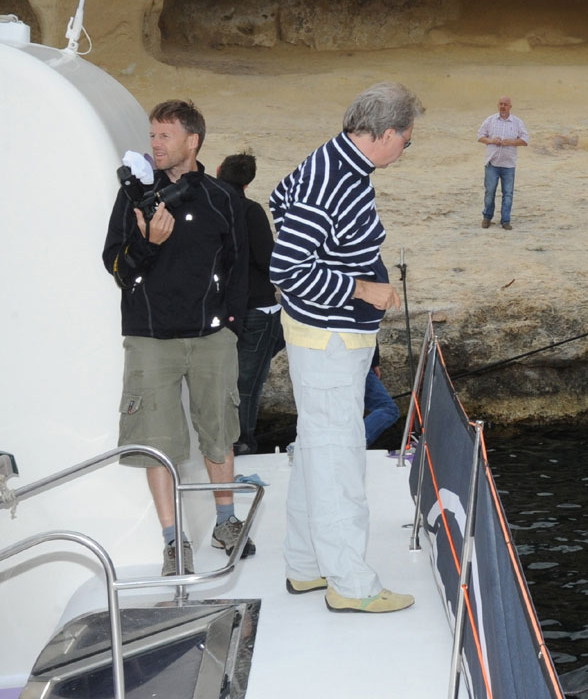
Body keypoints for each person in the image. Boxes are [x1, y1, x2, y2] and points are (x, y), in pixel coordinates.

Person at [270, 82, 422, 614]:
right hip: (329, 340)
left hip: (328, 336)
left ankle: (306, 566)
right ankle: (350, 585)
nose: (406, 148)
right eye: (406, 139)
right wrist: (363, 288)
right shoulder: (333, 178)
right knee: (337, 458)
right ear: (383, 134)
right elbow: (286, 269)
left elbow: (278, 199)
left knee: (315, 450)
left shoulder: (336, 164)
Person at [102, 99, 253, 576]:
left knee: (220, 432)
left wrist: (231, 328)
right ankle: (174, 543)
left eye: (164, 136)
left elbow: (238, 270)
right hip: (150, 338)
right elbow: (117, 267)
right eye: (152, 136)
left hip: (211, 338)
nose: (155, 145)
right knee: (157, 441)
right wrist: (149, 244)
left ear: (193, 141)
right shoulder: (133, 199)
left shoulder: (223, 197)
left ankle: (226, 523)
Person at [217, 152, 285, 456]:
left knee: (226, 381)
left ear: (218, 171)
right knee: (248, 384)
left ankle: (230, 443)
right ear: (248, 182)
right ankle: (243, 444)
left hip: (221, 309)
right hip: (257, 308)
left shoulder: (210, 207)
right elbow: (269, 261)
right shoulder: (250, 211)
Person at [477, 95, 528, 230]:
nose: (503, 106)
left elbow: (525, 140)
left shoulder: (517, 122)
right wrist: (492, 140)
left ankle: (505, 221)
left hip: (509, 165)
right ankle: (487, 217)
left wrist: (510, 142)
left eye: (505, 104)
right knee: (490, 192)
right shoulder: (490, 120)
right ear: (497, 105)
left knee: (508, 193)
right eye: (500, 104)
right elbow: (480, 136)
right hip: (492, 163)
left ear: (510, 107)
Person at [363, 346, 399, 446]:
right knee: (389, 409)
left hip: (322, 359)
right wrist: (374, 362)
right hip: (358, 360)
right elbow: (371, 331)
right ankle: (356, 443)